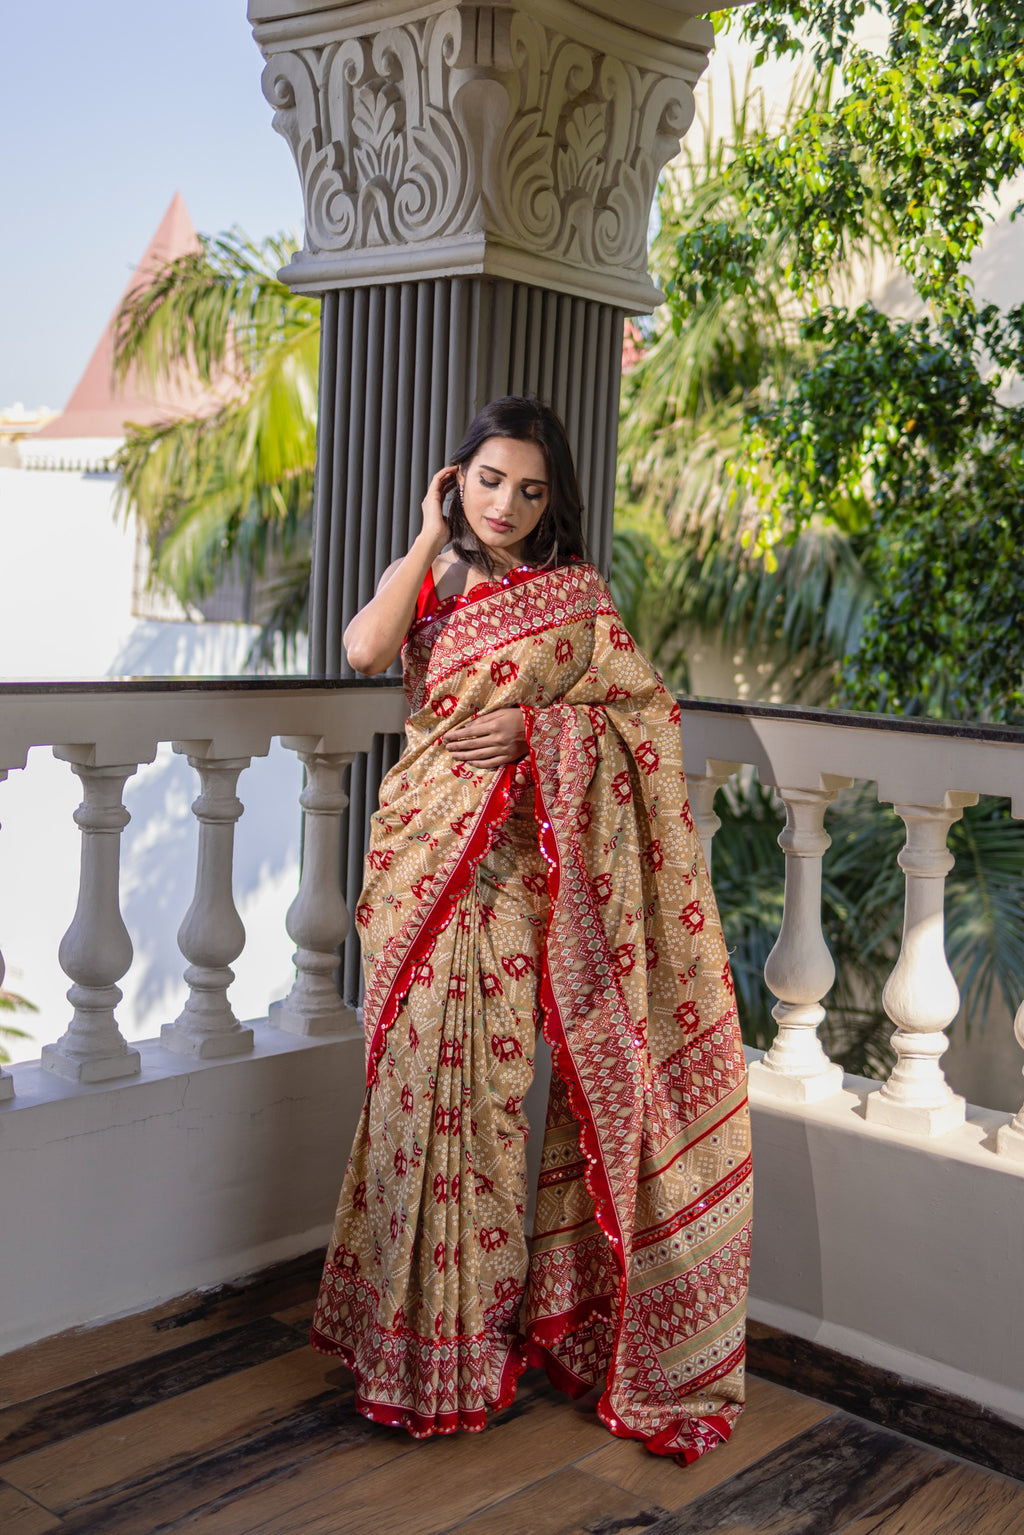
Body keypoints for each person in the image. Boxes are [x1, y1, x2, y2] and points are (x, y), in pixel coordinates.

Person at [311, 397, 752, 1464]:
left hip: (509, 879)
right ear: (455, 476)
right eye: (488, 479)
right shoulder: (437, 574)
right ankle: (395, 1347)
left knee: (487, 1105)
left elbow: (644, 718)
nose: (505, 504)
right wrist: (428, 533)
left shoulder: (577, 600)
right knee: (411, 1098)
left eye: (529, 489)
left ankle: (468, 1351)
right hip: (420, 863)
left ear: (553, 501)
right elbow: (364, 646)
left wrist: (540, 725)